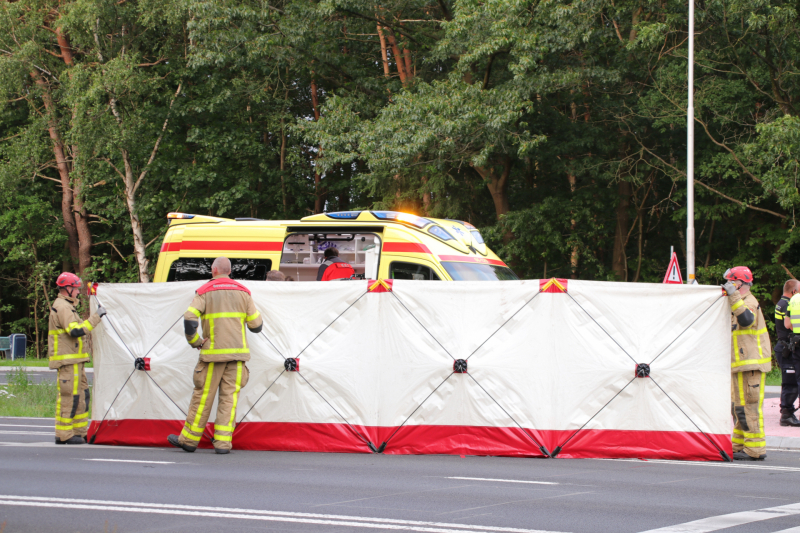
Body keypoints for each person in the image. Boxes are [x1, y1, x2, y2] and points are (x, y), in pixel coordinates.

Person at [168, 257, 263, 454]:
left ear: (214, 270)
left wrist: (194, 341)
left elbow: (189, 317)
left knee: (202, 398)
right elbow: (256, 326)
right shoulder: (244, 292)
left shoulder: (205, 292)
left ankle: (189, 440)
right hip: (237, 358)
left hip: (212, 356)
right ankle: (222, 443)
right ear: (229, 271)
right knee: (229, 400)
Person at [48, 272, 106, 445]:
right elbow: (75, 331)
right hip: (67, 362)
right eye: (76, 288)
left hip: (75, 361)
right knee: (69, 397)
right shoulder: (63, 307)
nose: (78, 292)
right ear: (67, 289)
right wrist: (97, 317)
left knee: (81, 396)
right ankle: (63, 434)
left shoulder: (67, 306)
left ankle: (79, 432)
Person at [723, 266, 772, 461]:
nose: (727, 285)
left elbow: (746, 320)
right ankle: (738, 444)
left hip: (751, 366)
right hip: (740, 365)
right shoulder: (738, 302)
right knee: (738, 407)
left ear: (739, 283)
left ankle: (756, 450)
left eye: (730, 282)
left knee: (749, 408)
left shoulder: (748, 302)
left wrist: (733, 296)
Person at [776, 280, 800, 426]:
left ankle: (787, 412)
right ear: (794, 291)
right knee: (791, 383)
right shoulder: (787, 304)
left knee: (791, 382)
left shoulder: (782, 302)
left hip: (786, 346)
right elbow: (789, 326)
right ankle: (787, 413)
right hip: (788, 347)